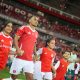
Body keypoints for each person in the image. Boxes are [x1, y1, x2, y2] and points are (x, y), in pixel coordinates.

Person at [10, 15, 39, 80]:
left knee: (30, 78)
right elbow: (15, 38)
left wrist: (35, 54)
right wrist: (18, 49)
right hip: (20, 57)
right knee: (13, 77)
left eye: (37, 20)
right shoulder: (24, 28)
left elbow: (34, 44)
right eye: (35, 19)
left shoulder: (36, 33)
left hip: (29, 60)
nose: (36, 21)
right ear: (29, 20)